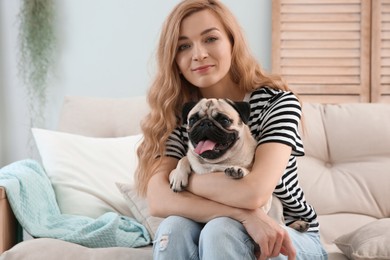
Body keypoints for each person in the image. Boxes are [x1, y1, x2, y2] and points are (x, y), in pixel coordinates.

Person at [135, 0, 328, 259]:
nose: (199, 54)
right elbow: (158, 200)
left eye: (210, 39)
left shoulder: (277, 103)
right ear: (174, 58)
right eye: (183, 46)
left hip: (287, 232)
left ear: (232, 42)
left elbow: (254, 193)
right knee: (174, 226)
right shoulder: (179, 113)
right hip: (214, 224)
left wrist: (185, 180)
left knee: (220, 230)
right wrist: (245, 216)